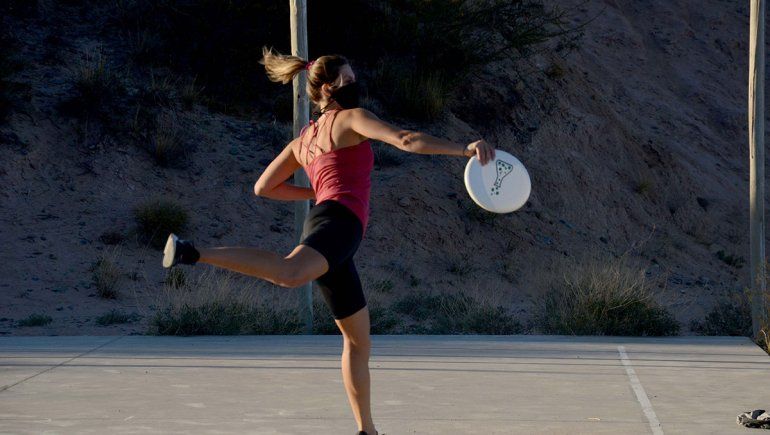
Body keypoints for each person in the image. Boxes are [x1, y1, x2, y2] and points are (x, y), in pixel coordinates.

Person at [161, 47, 496, 435]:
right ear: (327, 89)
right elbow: (405, 139)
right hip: (339, 225)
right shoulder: (351, 118)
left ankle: (367, 431)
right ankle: (192, 252)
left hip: (332, 229)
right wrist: (463, 149)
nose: (355, 85)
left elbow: (264, 187)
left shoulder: (303, 140)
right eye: (347, 81)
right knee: (289, 273)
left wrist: (317, 192)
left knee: (357, 342)